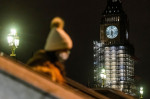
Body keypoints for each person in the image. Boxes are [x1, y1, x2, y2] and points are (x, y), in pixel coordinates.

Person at [27, 17, 73, 84]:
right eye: (64, 50)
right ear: (55, 49)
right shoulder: (44, 68)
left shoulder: (56, 67)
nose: (66, 53)